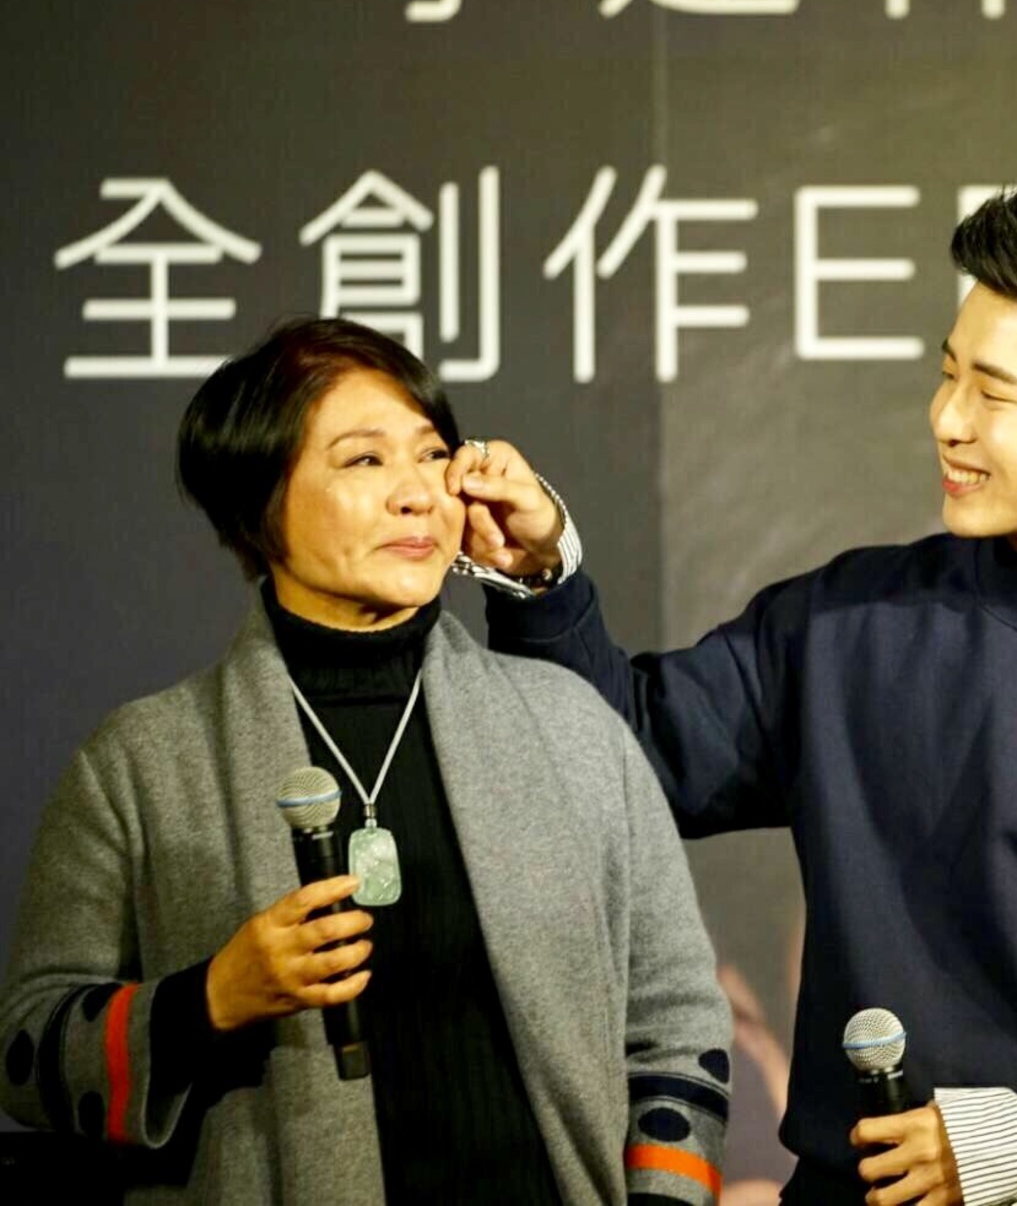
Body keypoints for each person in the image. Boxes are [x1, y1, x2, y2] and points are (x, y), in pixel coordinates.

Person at [448, 174, 1017, 1205]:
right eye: (947, 374)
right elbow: (620, 763)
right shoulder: (848, 621)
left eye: (993, 392)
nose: (947, 418)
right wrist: (541, 582)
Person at [0, 319, 732, 1205]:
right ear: (261, 501)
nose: (416, 493)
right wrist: (210, 1000)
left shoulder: (570, 723)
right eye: (364, 461)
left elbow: (675, 1018)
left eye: (432, 456)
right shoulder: (141, 762)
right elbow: (26, 1049)